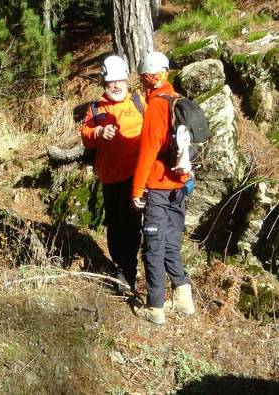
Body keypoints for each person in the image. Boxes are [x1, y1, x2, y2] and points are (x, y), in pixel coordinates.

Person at [131, 51, 196, 325]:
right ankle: (183, 298)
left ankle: (155, 307)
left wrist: (136, 189)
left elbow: (148, 151)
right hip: (179, 186)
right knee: (170, 241)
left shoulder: (157, 106)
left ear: (147, 78)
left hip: (158, 187)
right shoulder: (177, 100)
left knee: (154, 246)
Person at [80, 55, 145, 294]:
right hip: (109, 178)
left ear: (126, 81)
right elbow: (85, 137)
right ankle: (120, 265)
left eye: (119, 81)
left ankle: (128, 271)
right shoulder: (96, 109)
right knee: (115, 226)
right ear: (104, 84)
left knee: (131, 226)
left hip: (135, 178)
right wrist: (98, 131)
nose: (116, 86)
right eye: (111, 83)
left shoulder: (138, 102)